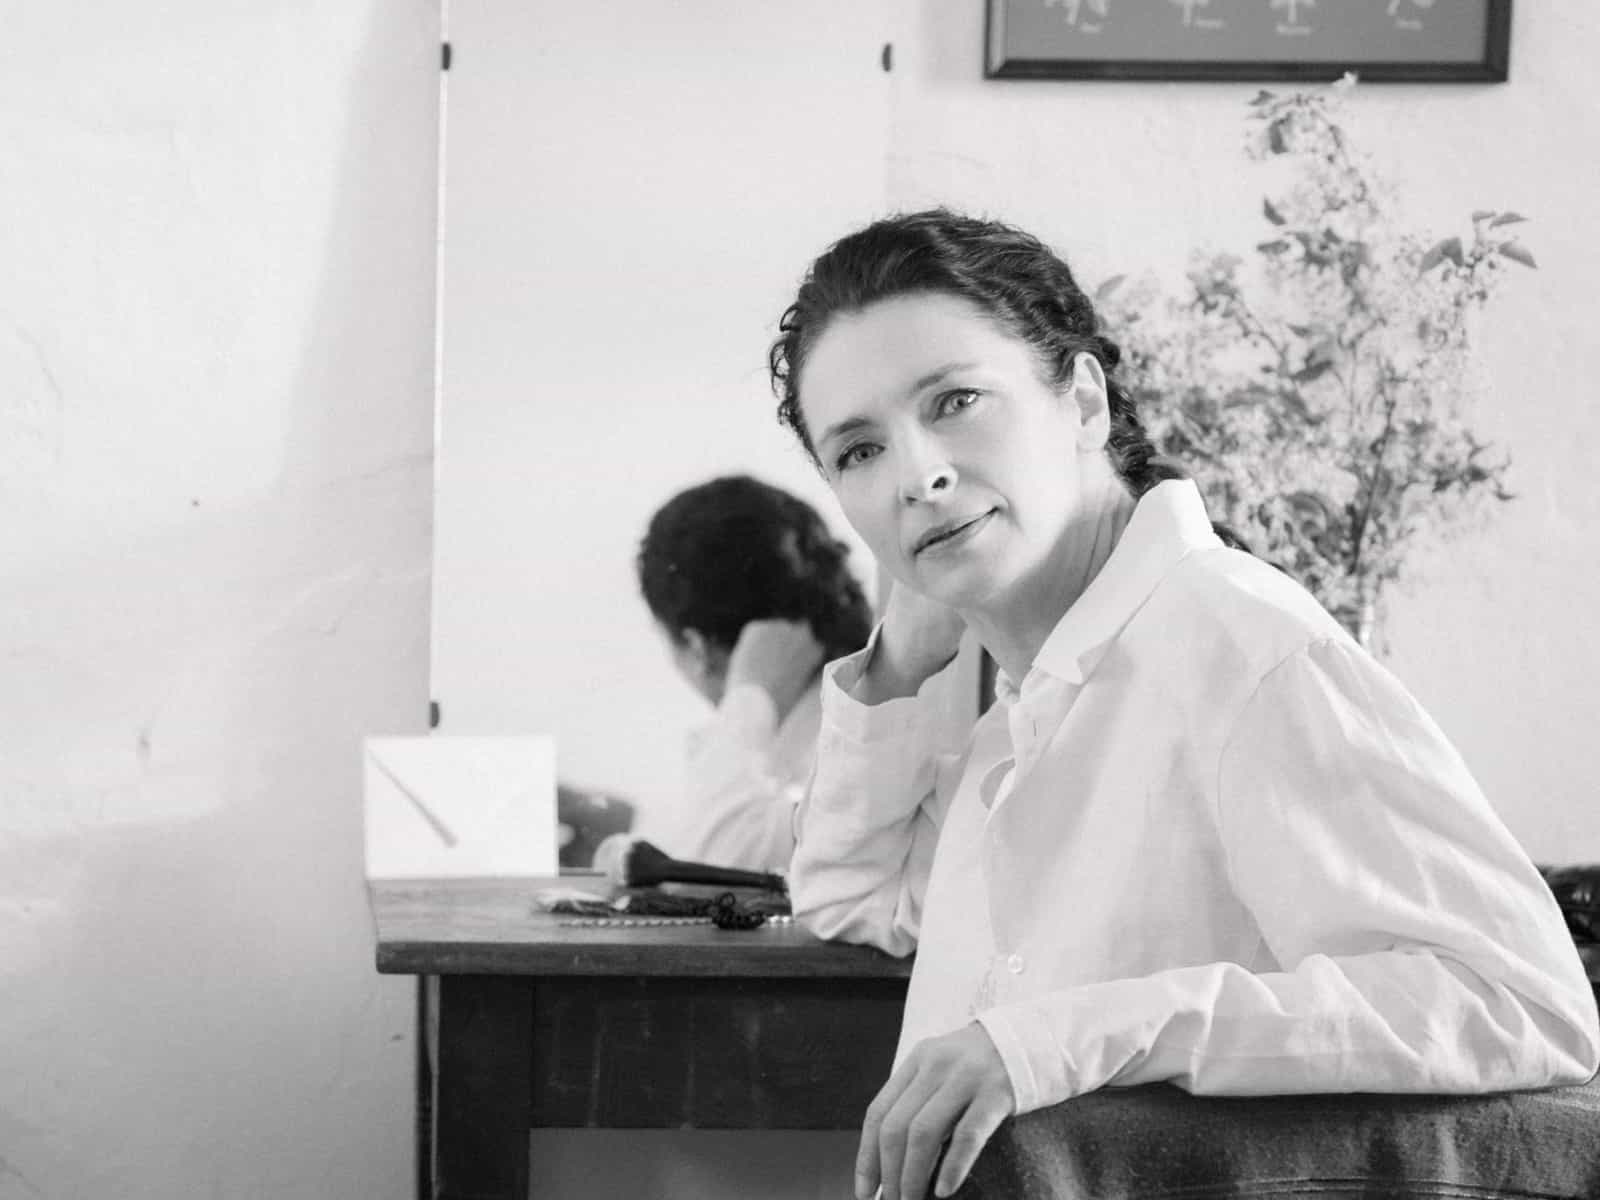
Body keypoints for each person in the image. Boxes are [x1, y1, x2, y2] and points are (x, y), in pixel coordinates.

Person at [766, 210, 1600, 1200]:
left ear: (1079, 400)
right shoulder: (1033, 700)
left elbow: (1517, 1000)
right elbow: (848, 898)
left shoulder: (1234, 641)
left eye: (954, 401)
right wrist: (901, 662)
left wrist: (1059, 1040)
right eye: (859, 451)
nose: (918, 474)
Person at [634, 473, 872, 872]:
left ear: (696, 647)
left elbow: (708, 871)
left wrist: (749, 694)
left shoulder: (831, 748)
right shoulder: (863, 699)